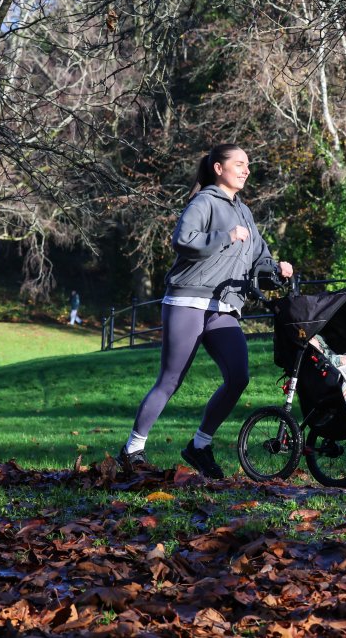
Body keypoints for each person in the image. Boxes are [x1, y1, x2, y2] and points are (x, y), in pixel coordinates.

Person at [117, 144, 293, 479]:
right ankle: (132, 450)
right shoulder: (205, 202)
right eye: (239, 164)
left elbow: (260, 260)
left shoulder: (244, 211)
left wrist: (277, 269)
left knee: (238, 376)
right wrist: (225, 235)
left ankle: (199, 445)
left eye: (248, 165)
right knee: (171, 380)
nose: (246, 170)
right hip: (187, 300)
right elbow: (183, 240)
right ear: (218, 168)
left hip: (223, 306)